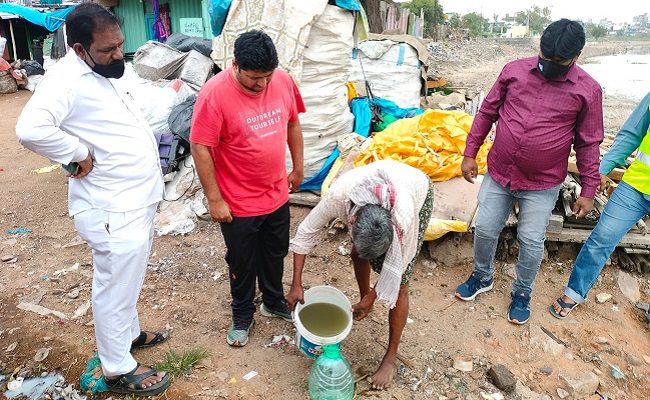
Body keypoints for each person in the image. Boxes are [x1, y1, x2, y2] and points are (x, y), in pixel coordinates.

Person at [15, 3, 171, 397]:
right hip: (111, 206)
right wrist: (75, 152)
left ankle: (128, 335)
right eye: (107, 49)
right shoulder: (66, 80)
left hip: (133, 198)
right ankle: (118, 368)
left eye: (120, 44)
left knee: (128, 278)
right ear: (80, 49)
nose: (119, 54)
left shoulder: (108, 68)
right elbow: (30, 129)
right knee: (115, 285)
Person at [454, 19, 604, 325]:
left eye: (558, 62)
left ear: (576, 57)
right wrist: (470, 153)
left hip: (542, 182)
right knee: (484, 228)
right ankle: (482, 277)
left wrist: (588, 191)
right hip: (499, 172)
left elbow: (589, 143)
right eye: (545, 57)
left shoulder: (588, 91)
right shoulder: (514, 71)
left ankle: (522, 293)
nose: (549, 65)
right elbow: (486, 112)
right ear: (540, 47)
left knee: (532, 240)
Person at [190, 29, 305, 347]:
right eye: (254, 78)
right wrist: (215, 199)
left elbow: (293, 122)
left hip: (276, 193)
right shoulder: (214, 95)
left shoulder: (282, 80)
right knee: (241, 262)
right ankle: (242, 313)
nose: (262, 85)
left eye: (267, 76)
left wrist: (297, 167)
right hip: (238, 201)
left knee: (275, 252)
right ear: (235, 64)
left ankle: (272, 299)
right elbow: (200, 147)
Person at [288, 159, 434, 390]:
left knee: (402, 287)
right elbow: (305, 231)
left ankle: (390, 359)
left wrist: (377, 295)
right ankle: (365, 296)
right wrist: (296, 283)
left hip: (416, 187)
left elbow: (400, 265)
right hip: (376, 189)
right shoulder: (340, 196)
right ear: (352, 221)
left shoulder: (404, 217)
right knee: (358, 255)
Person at [550, 91, 650, 319]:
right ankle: (573, 293)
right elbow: (632, 134)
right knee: (602, 238)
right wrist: (602, 170)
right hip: (635, 188)